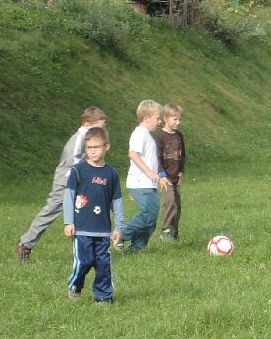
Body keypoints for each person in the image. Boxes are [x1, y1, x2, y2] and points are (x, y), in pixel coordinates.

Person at [16, 107, 107, 261]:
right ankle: (25, 244)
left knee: (85, 212)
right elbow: (76, 163)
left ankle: (88, 250)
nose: (101, 132)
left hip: (79, 181)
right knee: (51, 211)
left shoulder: (88, 138)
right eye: (99, 127)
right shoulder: (79, 139)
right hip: (66, 182)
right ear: (87, 124)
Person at [63, 127, 124, 305]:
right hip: (82, 229)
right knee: (84, 261)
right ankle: (75, 286)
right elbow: (69, 197)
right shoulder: (78, 171)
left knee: (103, 265)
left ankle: (103, 296)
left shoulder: (111, 174)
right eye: (89, 148)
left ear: (106, 147)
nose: (92, 151)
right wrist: (68, 222)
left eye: (96, 147)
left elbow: (117, 202)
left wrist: (119, 227)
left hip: (103, 230)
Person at [117, 100, 169, 252]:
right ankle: (120, 235)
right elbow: (133, 154)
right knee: (148, 215)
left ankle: (137, 248)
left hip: (147, 183)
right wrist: (149, 173)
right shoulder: (139, 133)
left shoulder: (147, 135)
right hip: (141, 182)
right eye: (157, 118)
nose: (160, 122)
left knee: (151, 219)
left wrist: (157, 175)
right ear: (146, 118)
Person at [156, 103, 186, 242]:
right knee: (170, 203)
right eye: (175, 119)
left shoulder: (179, 136)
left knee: (177, 206)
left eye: (179, 119)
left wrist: (181, 172)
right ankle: (165, 230)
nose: (178, 122)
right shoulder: (160, 136)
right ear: (165, 118)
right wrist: (161, 175)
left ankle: (174, 232)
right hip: (165, 178)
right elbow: (157, 158)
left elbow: (183, 155)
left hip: (176, 177)